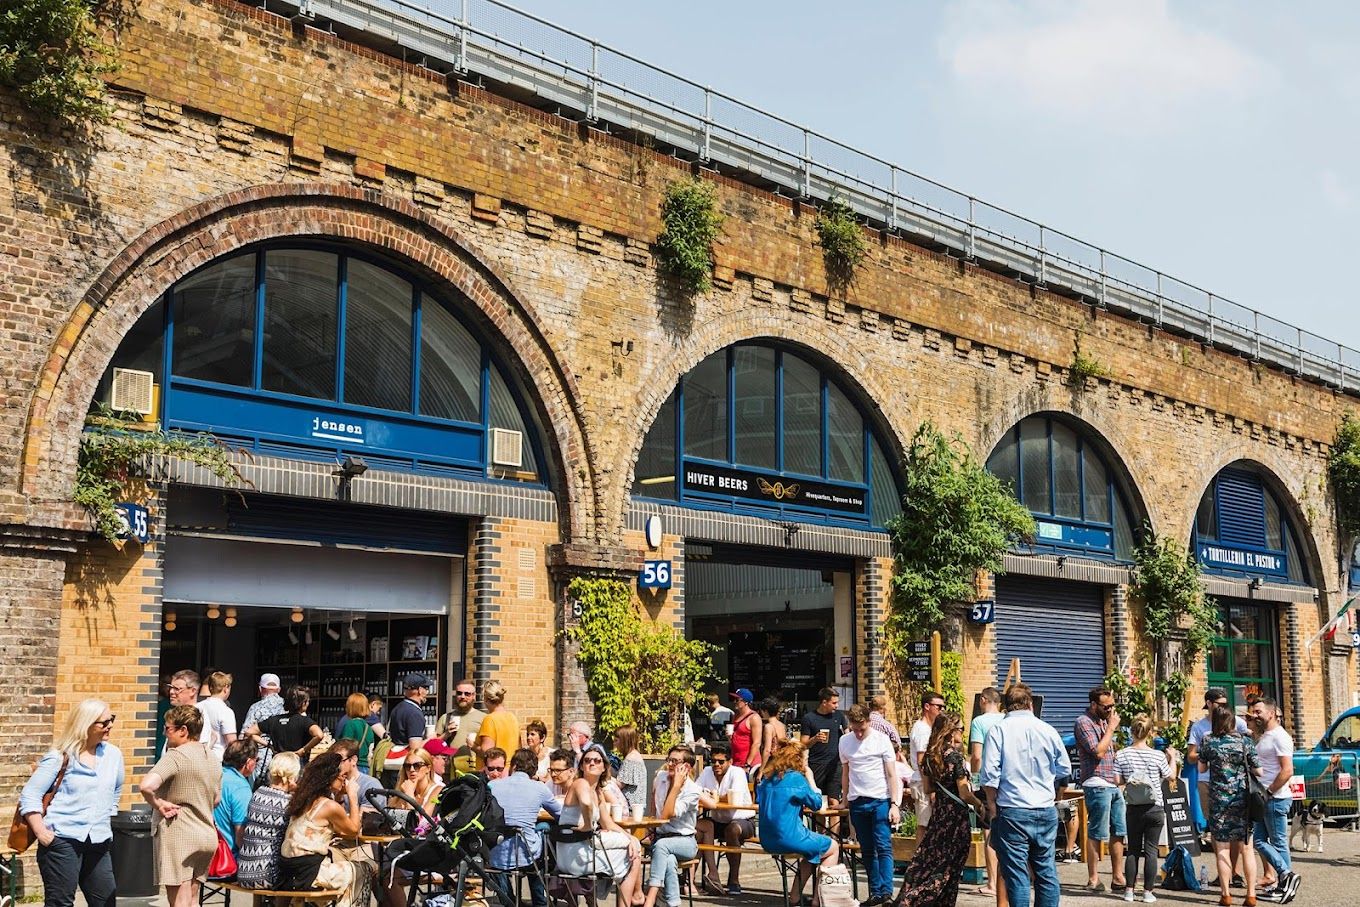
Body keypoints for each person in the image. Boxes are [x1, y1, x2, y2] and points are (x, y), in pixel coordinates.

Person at [19, 699, 123, 907]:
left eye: (111, 719)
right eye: (103, 723)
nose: (110, 725)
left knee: (105, 901)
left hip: (99, 840)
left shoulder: (113, 755)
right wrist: (42, 832)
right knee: (61, 902)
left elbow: (116, 789)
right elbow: (30, 795)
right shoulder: (60, 757)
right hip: (63, 840)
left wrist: (105, 816)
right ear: (86, 724)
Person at [979, 682, 1070, 907]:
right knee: (1046, 871)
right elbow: (1064, 768)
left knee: (1017, 875)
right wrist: (1050, 784)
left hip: (1013, 808)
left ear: (1006, 706)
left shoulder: (998, 730)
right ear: (1030, 703)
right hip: (1044, 807)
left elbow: (989, 774)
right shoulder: (1047, 730)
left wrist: (992, 804)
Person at [896, 713, 985, 907]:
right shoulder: (954, 757)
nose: (963, 732)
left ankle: (911, 896)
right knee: (949, 869)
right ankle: (921, 900)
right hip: (955, 820)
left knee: (932, 861)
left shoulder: (930, 757)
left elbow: (928, 789)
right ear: (951, 732)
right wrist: (978, 803)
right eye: (961, 729)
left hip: (939, 817)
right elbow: (964, 793)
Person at [139, 703, 222, 907]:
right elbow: (217, 799)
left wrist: (159, 804)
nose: (165, 734)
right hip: (206, 834)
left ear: (183, 730)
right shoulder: (211, 757)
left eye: (168, 728)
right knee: (193, 900)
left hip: (179, 833)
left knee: (178, 902)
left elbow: (146, 786)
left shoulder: (176, 756)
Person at [277, 752, 377, 907]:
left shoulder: (303, 800)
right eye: (343, 776)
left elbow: (335, 827)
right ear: (330, 777)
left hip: (289, 870)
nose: (345, 780)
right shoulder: (328, 806)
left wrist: (340, 795)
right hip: (310, 872)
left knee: (343, 866)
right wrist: (353, 797)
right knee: (363, 868)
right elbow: (353, 830)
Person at [555, 738, 644, 907]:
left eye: (597, 760)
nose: (592, 763)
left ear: (604, 767)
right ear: (581, 766)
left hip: (574, 854)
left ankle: (616, 898)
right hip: (576, 856)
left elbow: (609, 824)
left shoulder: (599, 792)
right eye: (587, 760)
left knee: (633, 847)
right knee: (634, 856)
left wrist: (630, 838)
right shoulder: (580, 783)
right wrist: (588, 825)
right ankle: (634, 898)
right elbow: (586, 803)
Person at [758, 740, 839, 907]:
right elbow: (816, 804)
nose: (806, 762)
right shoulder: (796, 779)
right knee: (832, 847)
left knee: (813, 853)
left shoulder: (768, 779)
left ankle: (794, 897)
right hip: (789, 837)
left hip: (767, 839)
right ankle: (819, 899)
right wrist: (810, 779)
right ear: (797, 759)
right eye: (805, 759)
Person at [1197, 705, 1261, 907]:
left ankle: (1226, 894)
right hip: (1242, 801)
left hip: (1218, 801)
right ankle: (1251, 895)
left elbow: (1201, 767)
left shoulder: (1208, 740)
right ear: (1232, 721)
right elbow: (1258, 771)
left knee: (1222, 849)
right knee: (1247, 849)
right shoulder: (1245, 741)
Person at [840, 702, 901, 907]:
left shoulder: (881, 740)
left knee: (883, 846)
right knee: (867, 849)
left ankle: (886, 891)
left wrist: (894, 804)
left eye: (862, 729)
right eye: (854, 730)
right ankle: (876, 892)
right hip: (858, 800)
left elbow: (892, 774)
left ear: (868, 722)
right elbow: (846, 773)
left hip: (880, 799)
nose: (858, 734)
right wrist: (844, 800)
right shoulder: (845, 741)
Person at [488, 747, 562, 907]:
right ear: (534, 770)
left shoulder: (492, 786)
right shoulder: (540, 788)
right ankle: (539, 900)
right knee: (541, 834)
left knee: (499, 854)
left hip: (496, 851)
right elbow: (560, 815)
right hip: (526, 852)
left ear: (513, 766)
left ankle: (508, 900)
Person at [1112, 714, 1172, 904]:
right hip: (1155, 807)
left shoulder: (1122, 754)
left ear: (1131, 731)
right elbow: (1171, 777)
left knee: (1133, 850)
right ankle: (1147, 892)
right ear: (1150, 733)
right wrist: (1172, 758)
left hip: (1133, 807)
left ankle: (1129, 891)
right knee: (1152, 851)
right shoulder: (1158, 755)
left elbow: (1117, 781)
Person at [1074, 685, 1127, 893]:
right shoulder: (1083, 722)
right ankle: (1093, 879)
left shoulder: (1105, 721)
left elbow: (1111, 751)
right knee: (1097, 831)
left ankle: (1117, 876)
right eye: (1106, 707)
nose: (1110, 710)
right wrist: (1112, 728)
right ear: (1093, 704)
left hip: (1113, 783)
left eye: (1112, 706)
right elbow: (1097, 752)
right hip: (1096, 783)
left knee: (1119, 830)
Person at [1248, 697, 1300, 903]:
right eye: (1254, 711)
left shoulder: (1280, 737)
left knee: (1278, 842)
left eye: (1259, 711)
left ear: (1271, 713)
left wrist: (1269, 792)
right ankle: (1284, 878)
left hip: (1275, 798)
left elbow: (1287, 770)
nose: (1255, 714)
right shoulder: (1265, 736)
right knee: (1259, 840)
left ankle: (1286, 880)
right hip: (1264, 797)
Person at [643, 745, 702, 907]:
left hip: (686, 842)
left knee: (662, 846)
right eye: (669, 760)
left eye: (676, 761)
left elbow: (667, 815)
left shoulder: (693, 790)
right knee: (668, 859)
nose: (670, 764)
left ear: (687, 767)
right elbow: (654, 812)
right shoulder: (660, 778)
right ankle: (674, 904)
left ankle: (650, 899)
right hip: (662, 838)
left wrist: (676, 786)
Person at [695, 741, 755, 895]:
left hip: (743, 821)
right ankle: (689, 879)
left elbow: (733, 799)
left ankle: (734, 880)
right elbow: (695, 792)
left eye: (721, 762)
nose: (716, 765)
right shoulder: (707, 771)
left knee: (732, 830)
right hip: (718, 820)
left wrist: (710, 797)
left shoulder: (737, 773)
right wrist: (710, 797)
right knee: (698, 828)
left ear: (730, 761)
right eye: (713, 761)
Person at [236, 751, 301, 889]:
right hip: (268, 874)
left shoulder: (258, 793)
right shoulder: (288, 803)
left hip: (244, 871)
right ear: (292, 777)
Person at [968, 686, 1006, 898]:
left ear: (983, 700)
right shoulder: (1006, 719)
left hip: (987, 781)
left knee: (989, 831)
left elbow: (976, 756)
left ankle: (992, 883)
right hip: (1007, 781)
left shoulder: (979, 722)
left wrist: (975, 778)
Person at [246, 685, 323, 765]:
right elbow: (319, 735)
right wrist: (303, 750)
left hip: (277, 761)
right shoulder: (305, 721)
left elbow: (249, 732)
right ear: (303, 703)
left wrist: (269, 745)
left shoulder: (274, 720)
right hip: (295, 762)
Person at [800, 687, 848, 809]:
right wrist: (815, 739)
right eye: (834, 703)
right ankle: (820, 829)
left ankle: (834, 829)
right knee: (819, 800)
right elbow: (803, 744)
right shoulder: (809, 718)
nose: (836, 706)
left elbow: (848, 735)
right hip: (816, 763)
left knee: (834, 800)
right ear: (824, 702)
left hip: (835, 763)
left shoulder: (839, 716)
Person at [213, 739, 259, 854]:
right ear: (249, 763)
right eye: (256, 760)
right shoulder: (241, 788)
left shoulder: (214, 775)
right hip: (227, 857)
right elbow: (240, 835)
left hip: (206, 851)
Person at [386, 673, 432, 784]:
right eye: (426, 688)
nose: (427, 692)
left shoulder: (397, 708)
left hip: (390, 765)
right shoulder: (415, 713)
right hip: (405, 769)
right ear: (420, 690)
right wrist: (431, 739)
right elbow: (415, 748)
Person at [910, 691, 945, 831]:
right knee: (925, 826)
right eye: (939, 707)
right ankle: (921, 853)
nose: (942, 710)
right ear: (927, 706)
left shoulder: (929, 728)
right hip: (923, 783)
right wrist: (929, 788)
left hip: (928, 782)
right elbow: (921, 762)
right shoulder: (922, 730)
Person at [243, 673, 286, 783]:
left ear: (260, 689)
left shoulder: (256, 708)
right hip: (284, 757)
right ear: (279, 689)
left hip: (260, 758)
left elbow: (245, 734)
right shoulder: (287, 707)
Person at [436, 678, 484, 775]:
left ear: (474, 696)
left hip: (475, 770)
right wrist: (446, 734)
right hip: (450, 771)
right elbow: (434, 746)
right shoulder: (446, 718)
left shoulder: (483, 718)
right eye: (459, 693)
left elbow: (488, 748)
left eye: (467, 694)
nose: (462, 697)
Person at [165, 670, 214, 751]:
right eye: (171, 687)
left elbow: (199, 749)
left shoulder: (199, 716)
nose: (171, 692)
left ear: (193, 691)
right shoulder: (174, 713)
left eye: (177, 689)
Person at [398, 747, 445, 832]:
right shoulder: (402, 789)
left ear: (428, 768)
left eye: (417, 765)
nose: (411, 770)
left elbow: (420, 826)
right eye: (407, 766)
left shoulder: (437, 790)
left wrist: (409, 795)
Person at [198, 671, 238, 760]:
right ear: (226, 688)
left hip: (198, 757)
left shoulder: (197, 706)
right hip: (217, 759)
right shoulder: (226, 711)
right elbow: (231, 743)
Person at [478, 679, 522, 759]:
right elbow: (519, 747)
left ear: (486, 699)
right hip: (512, 768)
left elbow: (488, 753)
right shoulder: (513, 717)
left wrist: (473, 746)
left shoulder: (490, 719)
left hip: (496, 770)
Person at [337, 692, 378, 774]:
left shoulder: (351, 724)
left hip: (353, 766)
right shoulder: (368, 727)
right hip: (366, 767)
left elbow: (345, 747)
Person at [613, 723, 648, 812]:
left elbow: (619, 784)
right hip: (635, 808)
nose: (614, 744)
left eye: (616, 740)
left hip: (630, 808)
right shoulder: (634, 756)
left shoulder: (631, 759)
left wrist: (604, 777)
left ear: (624, 741)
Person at [728, 688, 763, 771]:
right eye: (734, 699)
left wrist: (748, 764)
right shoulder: (735, 716)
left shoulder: (754, 717)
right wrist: (729, 737)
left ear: (746, 702)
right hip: (736, 762)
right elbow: (734, 740)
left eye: (737, 700)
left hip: (749, 764)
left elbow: (757, 743)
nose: (734, 702)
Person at [758, 697, 787, 764]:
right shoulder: (782, 725)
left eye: (761, 711)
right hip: (781, 761)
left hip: (771, 763)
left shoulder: (768, 726)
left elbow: (767, 750)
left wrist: (761, 770)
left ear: (765, 711)